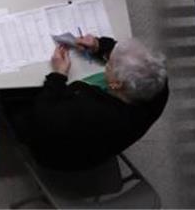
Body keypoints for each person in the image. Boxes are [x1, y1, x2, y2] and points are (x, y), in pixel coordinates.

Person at [11, 36, 169, 171]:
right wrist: (100, 45)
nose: (107, 62)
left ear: (116, 84)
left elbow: (43, 114)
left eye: (109, 64)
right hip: (97, 149)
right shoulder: (157, 85)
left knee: (16, 96)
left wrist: (58, 75)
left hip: (57, 157)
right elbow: (139, 64)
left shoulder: (89, 112)